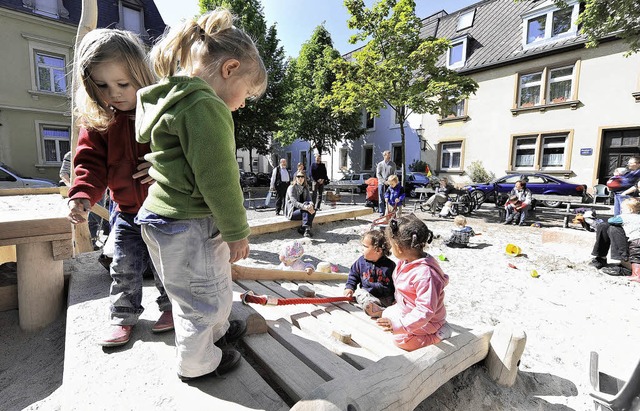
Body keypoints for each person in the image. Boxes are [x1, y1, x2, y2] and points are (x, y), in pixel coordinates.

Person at [135, 9, 268, 381]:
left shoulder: (174, 99)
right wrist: (236, 229)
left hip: (162, 220)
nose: (242, 104)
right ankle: (199, 364)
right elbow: (218, 177)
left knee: (200, 288)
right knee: (200, 300)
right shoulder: (205, 105)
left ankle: (216, 335)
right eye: (245, 94)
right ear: (229, 69)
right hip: (189, 221)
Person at [66, 29, 172, 347]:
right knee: (123, 265)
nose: (114, 93)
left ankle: (172, 308)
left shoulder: (161, 111)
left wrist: (161, 169)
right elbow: (89, 164)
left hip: (165, 209)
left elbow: (181, 152)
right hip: (125, 212)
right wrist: (82, 194)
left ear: (141, 74)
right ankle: (122, 316)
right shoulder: (100, 121)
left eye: (123, 84)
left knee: (168, 265)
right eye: (102, 85)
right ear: (90, 84)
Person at [376, 214, 452, 351]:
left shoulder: (425, 275)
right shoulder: (406, 262)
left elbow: (425, 310)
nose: (390, 249)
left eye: (391, 245)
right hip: (409, 310)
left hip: (430, 320)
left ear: (398, 247)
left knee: (400, 340)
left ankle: (439, 335)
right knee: (386, 314)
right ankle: (407, 324)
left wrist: (400, 326)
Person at [343, 229, 396, 318]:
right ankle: (375, 309)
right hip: (368, 295)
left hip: (385, 298)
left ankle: (380, 311)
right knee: (361, 294)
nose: (362, 249)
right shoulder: (361, 262)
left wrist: (396, 299)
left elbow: (397, 284)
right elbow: (353, 275)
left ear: (378, 250)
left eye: (365, 247)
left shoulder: (390, 266)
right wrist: (350, 288)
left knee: (393, 303)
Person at [600, 197, 640, 279]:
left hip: (634, 240)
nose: (621, 210)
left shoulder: (625, 217)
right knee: (637, 257)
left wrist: (620, 215)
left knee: (635, 257)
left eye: (623, 209)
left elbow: (611, 220)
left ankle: (636, 275)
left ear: (630, 210)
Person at [285, 172, 316, 237]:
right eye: (298, 176)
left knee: (313, 209)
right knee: (306, 210)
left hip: (302, 210)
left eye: (302, 177)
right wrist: (305, 207)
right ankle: (307, 229)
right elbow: (294, 202)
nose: (300, 178)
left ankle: (303, 228)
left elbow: (309, 199)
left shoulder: (305, 187)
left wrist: (310, 204)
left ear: (304, 178)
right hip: (293, 211)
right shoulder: (291, 188)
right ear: (295, 178)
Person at [376, 150, 396, 217]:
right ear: (384, 155)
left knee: (390, 198)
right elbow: (378, 174)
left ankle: (389, 212)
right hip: (381, 183)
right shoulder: (380, 164)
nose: (389, 156)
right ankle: (382, 213)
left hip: (390, 184)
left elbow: (394, 174)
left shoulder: (393, 164)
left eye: (390, 155)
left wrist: (390, 181)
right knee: (381, 198)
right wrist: (384, 181)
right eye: (388, 155)